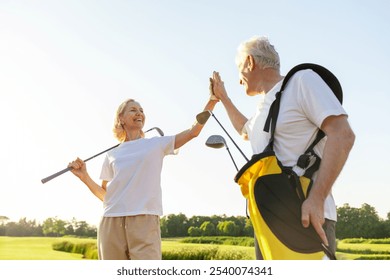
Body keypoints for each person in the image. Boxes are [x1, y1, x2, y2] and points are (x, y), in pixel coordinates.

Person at [210, 35, 355, 259]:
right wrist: (223, 98)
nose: (239, 79)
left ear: (250, 62)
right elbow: (245, 131)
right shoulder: (265, 107)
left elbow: (343, 135)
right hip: (268, 221)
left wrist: (317, 199)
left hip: (305, 217)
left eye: (239, 69)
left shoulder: (302, 81)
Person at [68, 96, 218, 260]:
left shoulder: (156, 144)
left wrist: (212, 102)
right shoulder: (112, 154)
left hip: (144, 219)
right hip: (111, 221)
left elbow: (193, 132)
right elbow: (106, 196)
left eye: (141, 111)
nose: (139, 113)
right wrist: (84, 176)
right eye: (133, 110)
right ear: (121, 118)